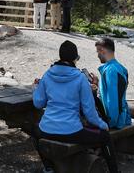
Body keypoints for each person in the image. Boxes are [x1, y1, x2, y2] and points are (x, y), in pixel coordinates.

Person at [32, 41, 119, 173]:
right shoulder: (80, 78)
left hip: (47, 129)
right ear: (75, 59)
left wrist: (36, 89)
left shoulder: (47, 75)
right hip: (71, 131)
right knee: (105, 136)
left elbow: (38, 103)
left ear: (60, 57)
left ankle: (48, 168)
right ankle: (114, 171)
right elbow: (89, 113)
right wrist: (102, 125)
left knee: (33, 131)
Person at [90, 38, 131, 130]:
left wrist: (109, 124)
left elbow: (113, 101)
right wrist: (98, 83)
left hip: (114, 122)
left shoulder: (110, 71)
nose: (97, 55)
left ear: (102, 50)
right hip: (122, 118)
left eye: (98, 52)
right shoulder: (120, 68)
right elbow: (120, 95)